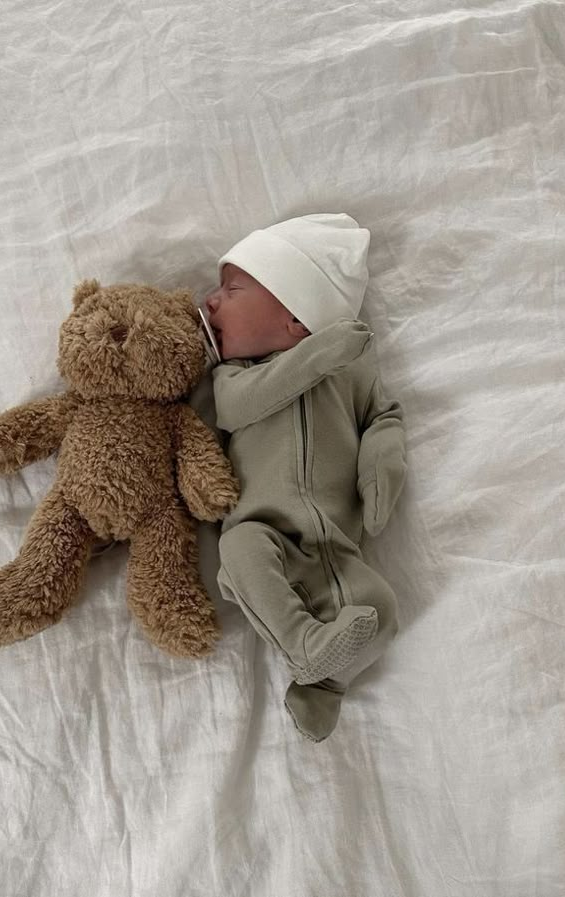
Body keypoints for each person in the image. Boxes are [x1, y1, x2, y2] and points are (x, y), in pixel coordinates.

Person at [203, 213, 407, 742]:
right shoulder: (233, 376)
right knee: (239, 549)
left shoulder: (350, 369)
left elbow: (382, 417)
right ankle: (301, 645)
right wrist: (319, 354)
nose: (211, 301)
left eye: (232, 288)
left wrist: (380, 468)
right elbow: (237, 408)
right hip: (262, 532)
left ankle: (324, 685)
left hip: (338, 545)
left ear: (296, 316)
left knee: (381, 608)